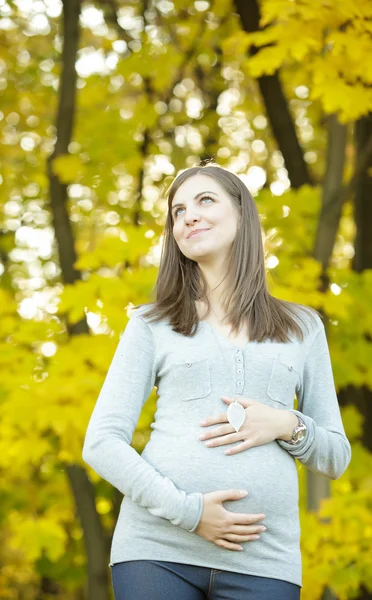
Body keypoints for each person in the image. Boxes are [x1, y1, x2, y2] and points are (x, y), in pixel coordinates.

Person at [82, 163, 351, 600]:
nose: (188, 215)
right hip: (157, 549)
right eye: (178, 211)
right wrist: (189, 513)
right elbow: (101, 442)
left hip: (265, 561)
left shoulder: (303, 327)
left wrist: (287, 425)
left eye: (206, 200)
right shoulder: (152, 324)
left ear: (242, 214)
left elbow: (335, 456)